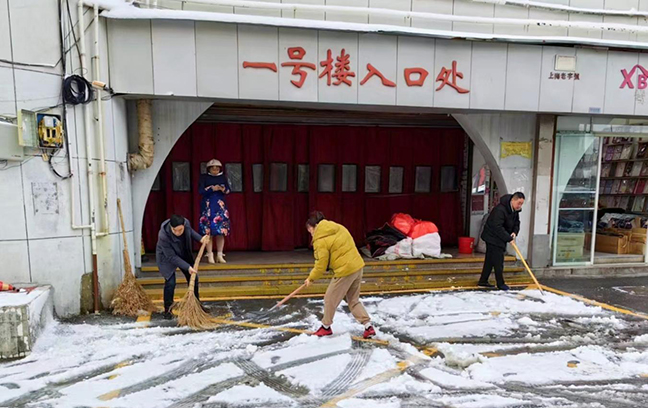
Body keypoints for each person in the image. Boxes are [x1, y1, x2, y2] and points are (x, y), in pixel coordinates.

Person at [303, 212, 376, 339]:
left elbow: (321, 264)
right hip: (357, 267)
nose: (311, 234)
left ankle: (326, 327)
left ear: (314, 227)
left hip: (344, 271)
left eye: (310, 231)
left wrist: (311, 278)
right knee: (353, 300)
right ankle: (368, 326)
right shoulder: (339, 227)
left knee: (329, 298)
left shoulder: (320, 240)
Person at [156, 214, 210, 319]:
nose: (177, 233)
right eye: (175, 230)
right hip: (166, 257)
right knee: (170, 282)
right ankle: (168, 310)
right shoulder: (163, 236)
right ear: (171, 227)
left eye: (180, 230)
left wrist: (201, 239)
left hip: (182, 252)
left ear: (184, 225)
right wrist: (187, 267)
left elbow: (190, 232)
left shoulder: (186, 223)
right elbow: (171, 257)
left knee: (194, 278)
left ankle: (197, 306)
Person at [478, 192, 525, 291]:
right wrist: (508, 238)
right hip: (492, 237)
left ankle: (483, 281)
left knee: (490, 260)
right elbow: (497, 227)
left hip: (500, 237)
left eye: (521, 204)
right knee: (498, 261)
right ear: (513, 200)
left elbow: (517, 223)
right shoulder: (500, 210)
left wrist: (514, 232)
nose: (520, 206)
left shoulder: (515, 211)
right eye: (519, 203)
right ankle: (500, 283)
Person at [198, 159, 231, 264]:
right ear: (209, 169)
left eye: (217, 168)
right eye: (213, 168)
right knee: (208, 232)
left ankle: (220, 254)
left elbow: (228, 190)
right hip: (208, 207)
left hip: (220, 207)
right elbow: (200, 191)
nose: (215, 170)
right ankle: (210, 254)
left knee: (221, 231)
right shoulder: (204, 178)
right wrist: (212, 188)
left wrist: (222, 189)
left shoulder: (222, 177)